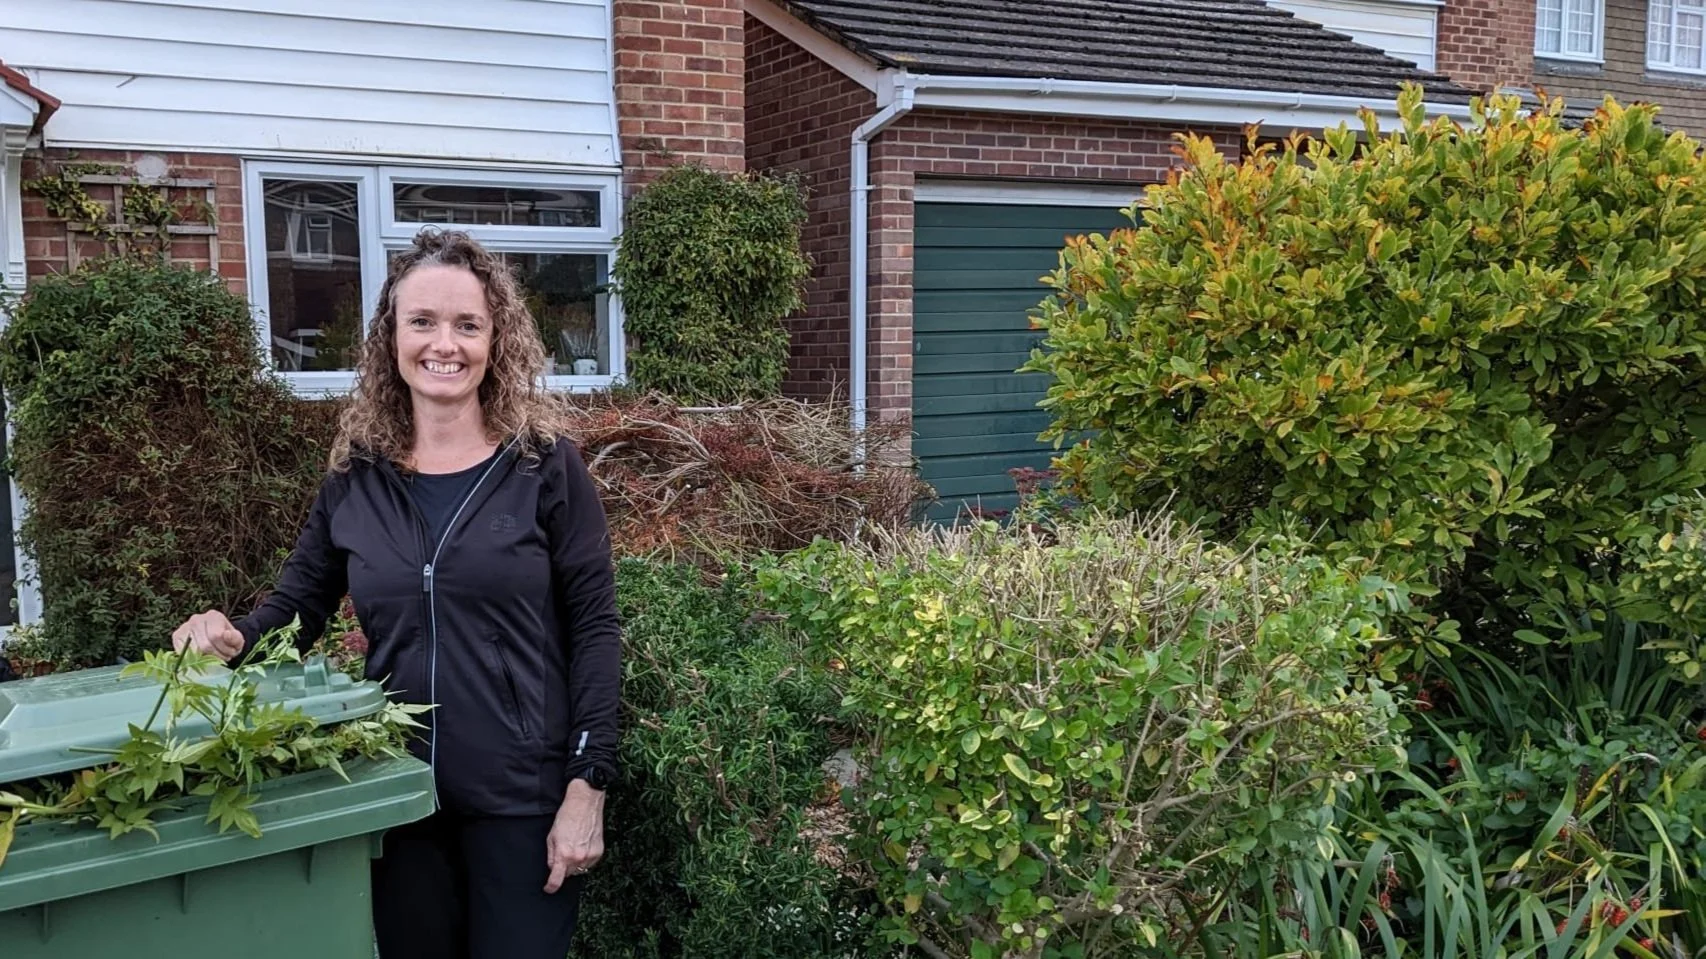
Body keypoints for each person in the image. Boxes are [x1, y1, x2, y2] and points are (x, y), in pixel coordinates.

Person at [172, 228, 621, 959]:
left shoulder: (544, 470)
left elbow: (596, 627)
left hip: (523, 802)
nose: (444, 344)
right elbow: (295, 609)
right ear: (391, 337)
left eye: (467, 324)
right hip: (397, 795)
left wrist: (588, 783)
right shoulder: (355, 476)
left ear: (495, 339)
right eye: (423, 322)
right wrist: (230, 638)